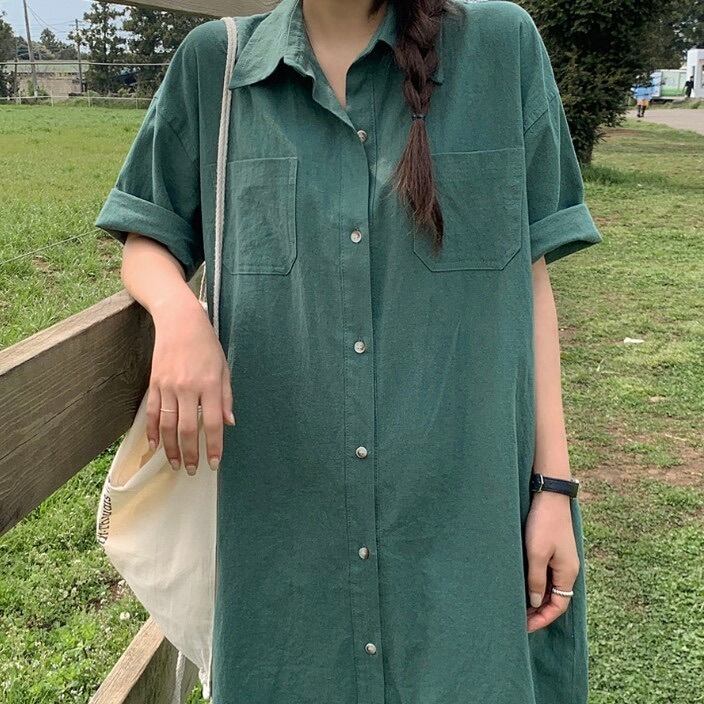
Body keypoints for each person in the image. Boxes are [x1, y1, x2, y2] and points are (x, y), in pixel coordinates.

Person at [95, 0, 603, 702]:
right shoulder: (215, 67)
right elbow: (147, 234)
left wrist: (554, 489)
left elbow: (532, 283)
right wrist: (180, 316)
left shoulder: (502, 49)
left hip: (472, 541)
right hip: (287, 556)